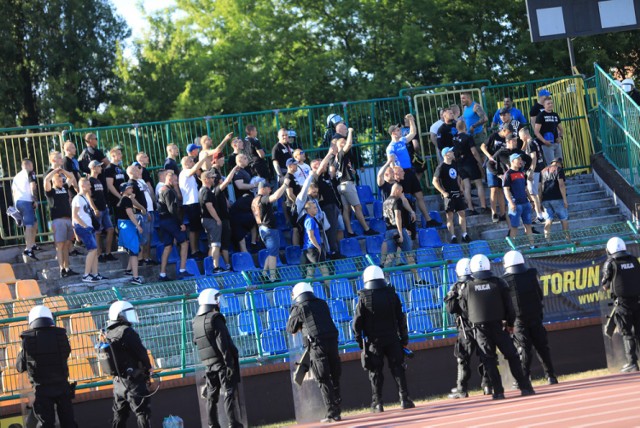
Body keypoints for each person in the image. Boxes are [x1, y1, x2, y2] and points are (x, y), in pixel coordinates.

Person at [459, 255, 535, 399]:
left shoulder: (467, 287)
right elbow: (509, 306)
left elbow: (464, 309)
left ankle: (498, 392)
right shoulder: (499, 283)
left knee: (489, 359)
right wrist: (510, 324)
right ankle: (525, 387)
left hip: (480, 329)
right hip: (499, 327)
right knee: (512, 356)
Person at [353, 266, 415, 412]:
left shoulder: (364, 297)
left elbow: (357, 323)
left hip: (374, 341)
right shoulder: (392, 294)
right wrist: (404, 338)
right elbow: (401, 318)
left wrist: (360, 342)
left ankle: (378, 403)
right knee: (398, 369)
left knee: (375, 372)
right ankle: (404, 399)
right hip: (393, 338)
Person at [287, 282, 342, 423]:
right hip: (332, 342)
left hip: (317, 345)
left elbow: (290, 328)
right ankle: (337, 409)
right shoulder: (322, 303)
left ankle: (332, 413)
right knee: (334, 376)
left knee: (323, 378)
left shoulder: (299, 308)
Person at [16, 305, 77, 427]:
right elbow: (66, 353)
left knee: (46, 424)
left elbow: (20, 367)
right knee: (69, 422)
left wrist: (21, 351)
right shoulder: (61, 335)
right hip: (62, 386)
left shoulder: (27, 339)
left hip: (42, 390)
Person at [502, 250, 558, 384]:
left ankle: (524, 378)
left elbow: (507, 305)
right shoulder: (531, 274)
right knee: (542, 347)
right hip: (535, 316)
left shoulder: (506, 280)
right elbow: (540, 295)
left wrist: (507, 321)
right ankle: (551, 376)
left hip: (519, 320)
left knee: (523, 349)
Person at [193, 288, 243, 428]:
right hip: (221, 363)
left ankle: (212, 424)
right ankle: (233, 423)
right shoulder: (216, 318)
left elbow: (196, 341)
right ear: (212, 301)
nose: (219, 303)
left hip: (208, 364)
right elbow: (223, 343)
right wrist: (229, 364)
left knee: (211, 396)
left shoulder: (196, 321)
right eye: (217, 300)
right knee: (229, 392)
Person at [444, 258, 492, 398]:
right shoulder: (478, 284)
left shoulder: (456, 287)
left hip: (465, 329)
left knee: (462, 358)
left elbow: (450, 309)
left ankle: (462, 389)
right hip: (482, 326)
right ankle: (488, 385)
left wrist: (452, 296)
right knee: (485, 356)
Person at [104, 301, 152, 428]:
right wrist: (148, 369)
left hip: (118, 382)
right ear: (119, 315)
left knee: (119, 415)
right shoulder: (127, 331)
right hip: (133, 382)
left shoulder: (109, 333)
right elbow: (141, 353)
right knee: (142, 412)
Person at [388, 114, 438, 227]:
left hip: (410, 171)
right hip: (402, 174)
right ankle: (408, 223)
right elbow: (391, 163)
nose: (400, 131)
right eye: (397, 130)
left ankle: (428, 220)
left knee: (419, 195)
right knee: (405, 198)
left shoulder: (402, 141)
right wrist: (395, 175)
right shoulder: (391, 147)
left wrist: (411, 121)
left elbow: (413, 133)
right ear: (393, 133)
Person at [600, 237, 640, 372]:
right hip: (638, 301)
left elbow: (605, 285)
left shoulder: (610, 263)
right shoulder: (633, 260)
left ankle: (632, 363)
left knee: (627, 333)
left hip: (623, 304)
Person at [333, 124, 377, 237]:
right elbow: (349, 144)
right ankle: (366, 229)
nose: (345, 144)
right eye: (342, 143)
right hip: (347, 184)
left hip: (341, 185)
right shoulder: (341, 154)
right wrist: (350, 132)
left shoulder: (338, 158)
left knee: (346, 208)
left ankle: (350, 231)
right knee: (357, 206)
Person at [200, 168, 239, 272]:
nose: (214, 179)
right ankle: (216, 267)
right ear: (206, 179)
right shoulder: (206, 191)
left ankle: (210, 267)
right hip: (211, 220)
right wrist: (217, 219)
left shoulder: (206, 190)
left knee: (212, 245)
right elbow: (209, 206)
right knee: (216, 245)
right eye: (212, 177)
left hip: (208, 220)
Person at [156, 170, 191, 281]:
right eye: (175, 180)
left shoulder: (161, 190)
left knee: (168, 246)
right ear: (169, 179)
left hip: (163, 221)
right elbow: (172, 209)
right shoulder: (168, 191)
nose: (176, 183)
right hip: (171, 220)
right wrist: (180, 223)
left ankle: (162, 274)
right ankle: (182, 270)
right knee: (184, 243)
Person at [252, 180, 290, 281]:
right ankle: (273, 277)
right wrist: (285, 185)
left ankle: (264, 273)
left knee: (271, 252)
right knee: (273, 254)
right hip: (269, 229)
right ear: (263, 189)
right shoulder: (263, 199)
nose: (270, 190)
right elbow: (276, 197)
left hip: (262, 228)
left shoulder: (254, 200)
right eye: (268, 188)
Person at [43, 167, 78, 278]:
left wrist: (63, 171)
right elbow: (46, 180)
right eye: (59, 179)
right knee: (60, 245)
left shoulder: (64, 188)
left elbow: (71, 177)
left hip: (68, 219)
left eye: (62, 179)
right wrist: (55, 171)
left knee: (67, 245)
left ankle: (67, 268)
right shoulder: (51, 191)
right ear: (54, 180)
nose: (61, 180)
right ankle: (61, 269)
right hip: (58, 220)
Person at [432, 147, 470, 244]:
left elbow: (457, 177)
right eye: (450, 151)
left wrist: (460, 187)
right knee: (450, 216)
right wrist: (443, 192)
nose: (453, 152)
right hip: (449, 194)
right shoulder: (441, 167)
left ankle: (464, 234)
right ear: (446, 154)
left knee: (462, 213)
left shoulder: (454, 164)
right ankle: (452, 236)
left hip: (457, 192)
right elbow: (434, 181)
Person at [180, 153, 212, 259]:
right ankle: (194, 251)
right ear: (186, 163)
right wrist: (202, 159)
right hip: (190, 204)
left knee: (197, 228)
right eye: (191, 161)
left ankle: (196, 249)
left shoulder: (190, 174)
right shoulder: (185, 172)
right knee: (193, 229)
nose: (193, 163)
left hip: (194, 203)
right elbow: (195, 168)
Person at [452, 120, 487, 215]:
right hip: (470, 163)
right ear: (465, 127)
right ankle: (483, 206)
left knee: (467, 186)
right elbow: (474, 152)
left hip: (460, 164)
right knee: (479, 184)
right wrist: (480, 163)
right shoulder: (468, 137)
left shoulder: (454, 138)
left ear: (456, 128)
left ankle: (471, 208)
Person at [71, 178, 101, 283]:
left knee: (95, 250)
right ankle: (86, 274)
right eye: (88, 185)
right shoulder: (78, 199)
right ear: (83, 186)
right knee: (92, 249)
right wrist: (84, 226)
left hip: (89, 226)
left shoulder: (85, 197)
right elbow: (74, 216)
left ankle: (95, 273)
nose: (90, 186)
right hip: (84, 227)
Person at [481, 124, 511, 223]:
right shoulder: (494, 136)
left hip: (501, 166)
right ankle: (494, 213)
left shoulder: (507, 140)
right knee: (493, 189)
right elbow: (482, 146)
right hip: (491, 165)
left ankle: (502, 213)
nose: (509, 134)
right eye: (508, 132)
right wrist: (489, 156)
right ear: (504, 130)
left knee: (501, 190)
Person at [88, 160, 117, 262]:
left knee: (110, 229)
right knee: (97, 232)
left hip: (104, 208)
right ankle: (98, 254)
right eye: (99, 166)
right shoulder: (90, 180)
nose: (101, 168)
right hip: (97, 210)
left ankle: (108, 253)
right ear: (93, 168)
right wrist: (94, 208)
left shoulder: (98, 180)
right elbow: (89, 196)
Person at [116, 183, 144, 285]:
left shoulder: (125, 199)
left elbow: (133, 204)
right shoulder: (126, 199)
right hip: (128, 226)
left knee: (135, 249)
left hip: (123, 226)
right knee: (134, 251)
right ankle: (135, 277)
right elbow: (130, 213)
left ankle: (128, 270)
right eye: (128, 188)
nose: (131, 189)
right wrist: (138, 225)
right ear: (123, 190)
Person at [503, 153, 534, 245]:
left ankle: (532, 245)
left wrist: (531, 200)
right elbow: (506, 190)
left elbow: (525, 188)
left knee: (528, 224)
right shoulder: (508, 174)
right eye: (518, 159)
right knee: (514, 226)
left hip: (525, 203)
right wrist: (511, 202)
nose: (521, 161)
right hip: (516, 204)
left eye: (521, 159)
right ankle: (512, 247)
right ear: (512, 161)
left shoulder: (521, 173)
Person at [12, 158, 39, 260]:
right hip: (27, 201)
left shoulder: (16, 176)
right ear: (28, 165)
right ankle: (28, 249)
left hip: (18, 202)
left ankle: (32, 244)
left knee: (34, 223)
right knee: (29, 225)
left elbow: (14, 191)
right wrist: (34, 199)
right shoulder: (30, 173)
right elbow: (33, 186)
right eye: (32, 165)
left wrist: (16, 206)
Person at [520, 128, 547, 223]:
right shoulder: (535, 141)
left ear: (524, 136)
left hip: (535, 170)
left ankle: (539, 215)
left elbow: (533, 157)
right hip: (541, 167)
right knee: (538, 191)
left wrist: (531, 171)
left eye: (520, 137)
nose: (520, 139)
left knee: (533, 193)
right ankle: (543, 212)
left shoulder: (530, 143)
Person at [540, 157, 569, 239]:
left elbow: (540, 187)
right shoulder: (559, 169)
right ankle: (568, 239)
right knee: (564, 219)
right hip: (557, 198)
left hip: (545, 198)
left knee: (548, 220)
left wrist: (540, 201)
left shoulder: (543, 171)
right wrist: (565, 200)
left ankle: (547, 240)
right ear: (559, 163)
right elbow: (561, 185)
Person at [534, 98, 564, 165]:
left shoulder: (555, 115)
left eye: (551, 103)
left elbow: (561, 129)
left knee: (560, 163)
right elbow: (536, 131)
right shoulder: (541, 115)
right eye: (548, 103)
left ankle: (560, 175)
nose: (550, 105)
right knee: (551, 164)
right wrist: (544, 141)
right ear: (544, 105)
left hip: (556, 143)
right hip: (546, 144)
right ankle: (552, 176)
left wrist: (560, 137)